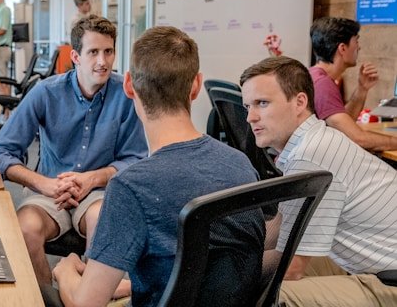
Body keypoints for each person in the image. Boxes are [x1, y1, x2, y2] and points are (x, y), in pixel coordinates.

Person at [52, 26, 266, 307]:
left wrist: (65, 270)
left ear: (129, 85)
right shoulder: (240, 165)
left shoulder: (132, 186)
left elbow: (86, 304)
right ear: (196, 86)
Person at [0, 15, 147, 287]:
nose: (102, 62)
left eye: (108, 52)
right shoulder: (46, 93)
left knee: (102, 222)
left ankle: (88, 297)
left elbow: (137, 159)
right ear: (75, 56)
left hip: (98, 193)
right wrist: (43, 184)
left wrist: (92, 179)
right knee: (25, 229)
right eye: (93, 52)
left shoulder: (126, 95)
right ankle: (48, 297)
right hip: (50, 190)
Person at [240, 56, 397, 306]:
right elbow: (283, 226)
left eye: (262, 103)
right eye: (248, 106)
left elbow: (292, 268)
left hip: (387, 282)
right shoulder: (312, 143)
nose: (250, 117)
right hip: (372, 265)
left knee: (274, 294)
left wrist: (224, 272)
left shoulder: (311, 156)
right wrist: (231, 247)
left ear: (300, 102)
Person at [308, 17, 397, 151]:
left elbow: (344, 124)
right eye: (356, 40)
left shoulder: (316, 76)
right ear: (342, 48)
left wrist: (362, 89)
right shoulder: (322, 84)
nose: (359, 47)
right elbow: (357, 138)